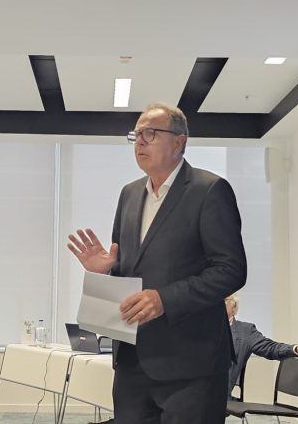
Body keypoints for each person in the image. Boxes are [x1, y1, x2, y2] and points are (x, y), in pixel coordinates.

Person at [67, 102, 247, 423]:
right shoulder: (129, 194)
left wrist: (165, 298)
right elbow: (131, 274)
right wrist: (104, 272)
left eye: (150, 133)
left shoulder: (209, 190)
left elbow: (231, 270)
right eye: (136, 135)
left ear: (179, 142)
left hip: (192, 365)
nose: (139, 141)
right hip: (133, 362)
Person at [224, 294, 298, 396]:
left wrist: (295, 349)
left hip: (219, 397)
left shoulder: (245, 331)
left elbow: (271, 348)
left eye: (223, 300)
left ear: (234, 306)